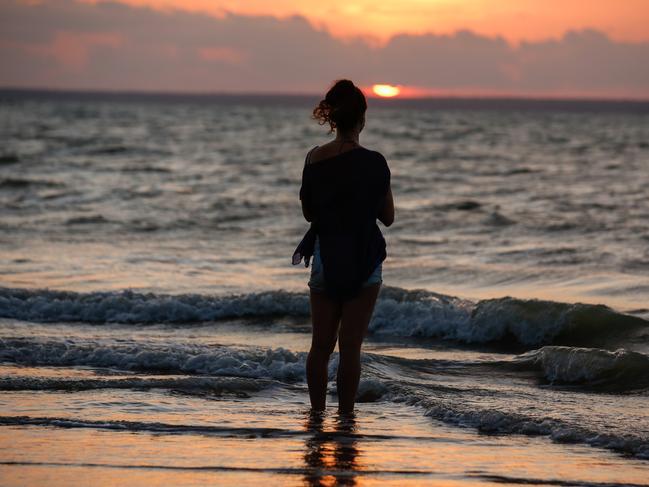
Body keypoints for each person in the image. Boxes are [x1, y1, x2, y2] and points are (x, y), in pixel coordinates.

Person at [293, 79, 394, 413]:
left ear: (333, 118)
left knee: (320, 346)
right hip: (364, 256)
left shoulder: (313, 159)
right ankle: (347, 420)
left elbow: (309, 213)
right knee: (351, 348)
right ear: (362, 118)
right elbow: (388, 217)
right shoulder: (376, 162)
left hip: (326, 254)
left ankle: (317, 415)